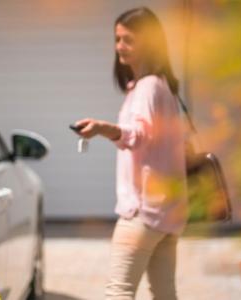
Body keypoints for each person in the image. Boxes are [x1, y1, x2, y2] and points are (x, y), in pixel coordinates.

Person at [73, 7, 187, 300]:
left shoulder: (149, 87)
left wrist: (101, 128)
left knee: (118, 292)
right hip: (168, 212)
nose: (119, 46)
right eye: (117, 39)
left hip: (142, 212)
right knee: (164, 293)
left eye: (128, 40)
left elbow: (139, 136)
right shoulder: (162, 85)